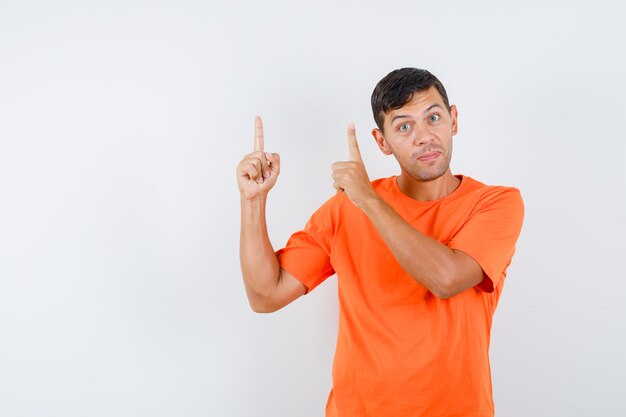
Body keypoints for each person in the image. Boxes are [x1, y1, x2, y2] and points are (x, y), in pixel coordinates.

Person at [237, 68, 524, 417]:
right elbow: (266, 296)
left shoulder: (495, 203)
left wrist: (369, 201)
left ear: (453, 120)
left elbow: (447, 278)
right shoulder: (347, 208)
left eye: (433, 118)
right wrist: (253, 201)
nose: (424, 136)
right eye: (404, 126)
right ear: (382, 142)